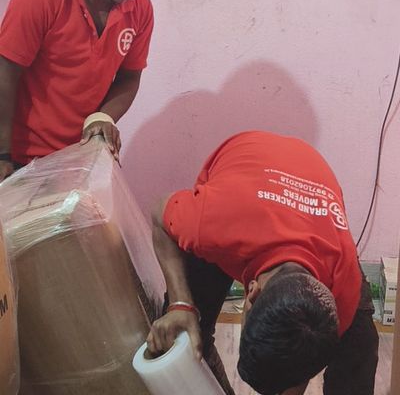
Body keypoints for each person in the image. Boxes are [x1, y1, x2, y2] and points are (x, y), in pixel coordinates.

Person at [147, 130, 379, 395]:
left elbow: (297, 367)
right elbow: (158, 215)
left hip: (304, 186)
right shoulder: (213, 223)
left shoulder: (343, 289)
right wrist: (181, 303)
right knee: (182, 336)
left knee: (359, 347)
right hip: (243, 184)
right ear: (251, 292)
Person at [0, 0, 153, 181]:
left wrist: (102, 117)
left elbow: (129, 77)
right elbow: (5, 70)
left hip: (76, 161)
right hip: (17, 158)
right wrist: (3, 154)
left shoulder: (140, 7)